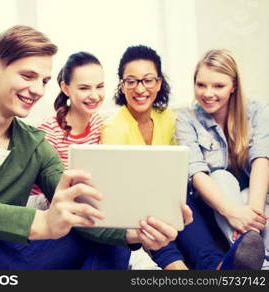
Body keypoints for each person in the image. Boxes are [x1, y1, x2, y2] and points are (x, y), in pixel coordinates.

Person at [0, 25, 190, 270]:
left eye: (43, 81)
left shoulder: (35, 144)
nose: (38, 90)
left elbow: (79, 207)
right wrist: (39, 222)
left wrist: (133, 232)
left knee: (110, 244)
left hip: (8, 254)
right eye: (27, 76)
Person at [101, 45, 265, 270]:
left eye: (148, 80)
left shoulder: (168, 118)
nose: (140, 89)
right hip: (137, 205)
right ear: (122, 85)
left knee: (179, 200)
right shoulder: (113, 127)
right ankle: (177, 268)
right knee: (158, 205)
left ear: (158, 83)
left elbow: (180, 171)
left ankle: (217, 266)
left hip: (175, 199)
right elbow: (118, 186)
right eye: (131, 81)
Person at [176, 49, 268, 269]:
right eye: (201, 85)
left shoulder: (257, 111)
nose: (208, 93)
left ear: (234, 86)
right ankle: (245, 253)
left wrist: (252, 219)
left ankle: (259, 259)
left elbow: (261, 159)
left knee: (250, 194)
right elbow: (196, 172)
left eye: (218, 86)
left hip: (255, 203)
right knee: (220, 177)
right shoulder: (186, 120)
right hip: (218, 205)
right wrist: (231, 211)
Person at [27, 51, 105, 209]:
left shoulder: (100, 124)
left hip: (86, 204)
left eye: (100, 86)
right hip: (46, 207)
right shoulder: (48, 132)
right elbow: (51, 194)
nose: (94, 95)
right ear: (66, 88)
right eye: (84, 88)